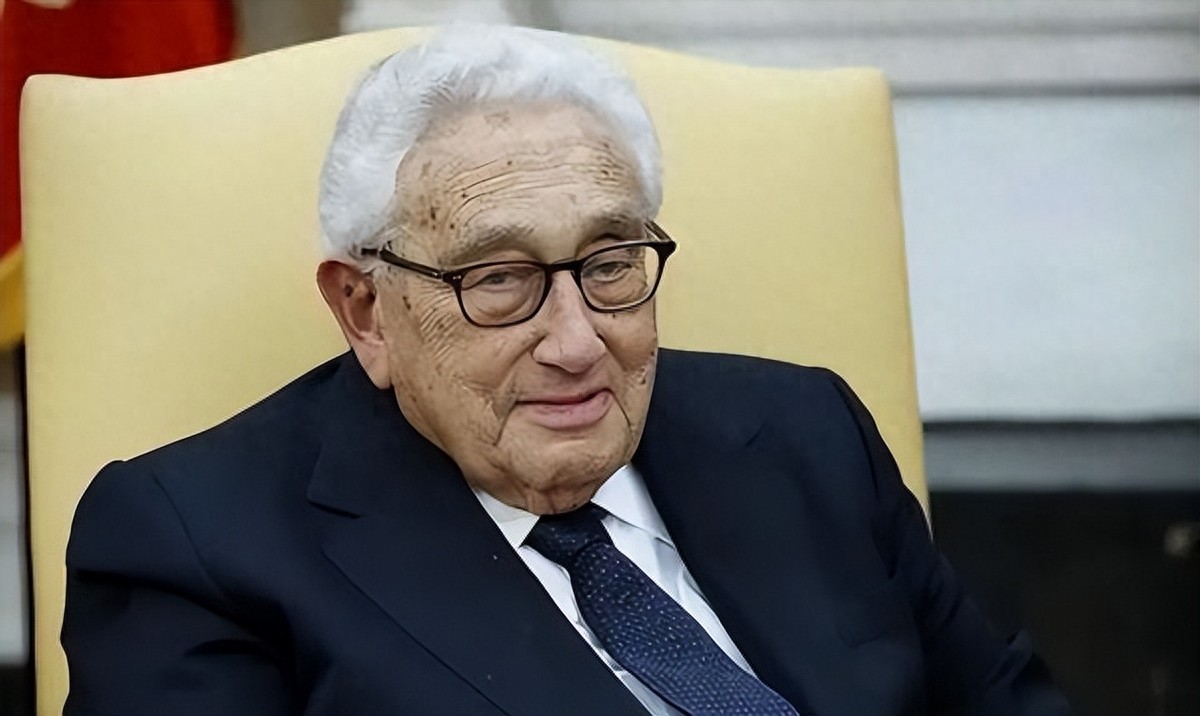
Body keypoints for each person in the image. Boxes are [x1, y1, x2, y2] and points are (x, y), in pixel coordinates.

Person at [61, 25, 1070, 716]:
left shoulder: (805, 432)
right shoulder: (193, 544)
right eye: (499, 280)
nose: (578, 341)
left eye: (610, 263)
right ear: (366, 310)